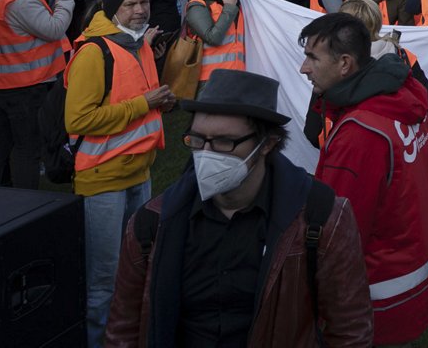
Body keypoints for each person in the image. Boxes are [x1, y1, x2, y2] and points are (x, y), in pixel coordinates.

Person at [105, 69, 374, 347]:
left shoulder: (320, 219)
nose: (206, 154)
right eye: (197, 140)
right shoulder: (152, 223)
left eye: (224, 142)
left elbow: (350, 331)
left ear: (267, 144)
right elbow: (123, 330)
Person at [299, 13, 428, 345]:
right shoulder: (402, 97)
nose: (303, 68)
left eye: (312, 58)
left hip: (375, 300)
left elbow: (337, 237)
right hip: (413, 274)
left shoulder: (360, 133)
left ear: (345, 64)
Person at [66, 0, 175, 348]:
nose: (140, 10)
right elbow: (78, 120)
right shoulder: (93, 52)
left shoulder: (138, 44)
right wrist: (145, 104)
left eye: (143, 2)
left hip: (138, 171)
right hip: (103, 179)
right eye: (130, 4)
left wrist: (159, 101)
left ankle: (130, 335)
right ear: (111, 7)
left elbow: (135, 99)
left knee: (135, 265)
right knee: (105, 277)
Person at [0, 0, 75, 187]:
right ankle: (25, 203)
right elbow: (54, 29)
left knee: (0, 146)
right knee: (27, 149)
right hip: (24, 87)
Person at [184, 0, 246, 89]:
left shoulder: (235, 3)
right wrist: (229, 8)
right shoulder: (198, 4)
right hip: (209, 79)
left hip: (236, 75)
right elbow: (213, 38)